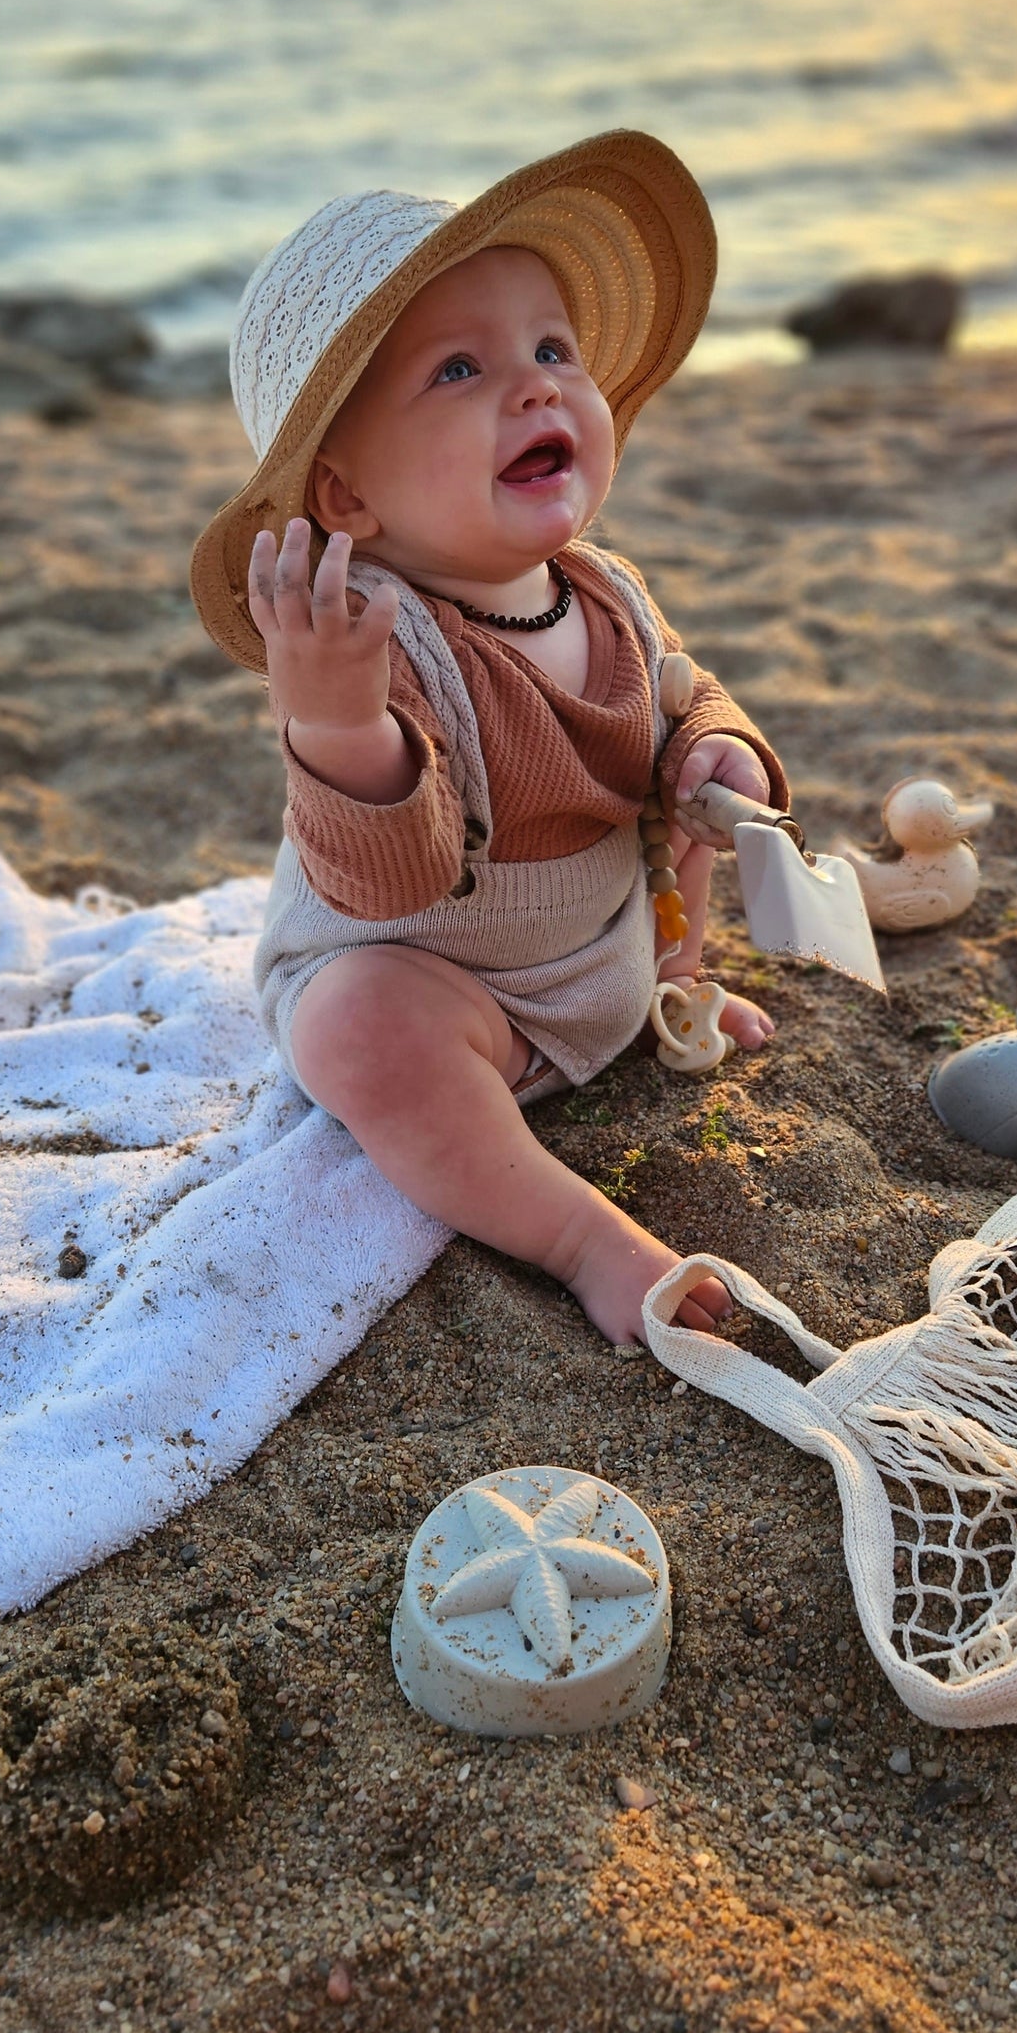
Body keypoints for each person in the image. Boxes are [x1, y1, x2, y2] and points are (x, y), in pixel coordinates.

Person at [190, 131, 787, 1345]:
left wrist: (719, 749)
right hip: (460, 998)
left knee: (674, 801)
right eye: (459, 369)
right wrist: (334, 715)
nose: (537, 386)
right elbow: (391, 871)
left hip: (602, 950)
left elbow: (680, 696)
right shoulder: (387, 640)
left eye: (552, 348)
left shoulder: (603, 589)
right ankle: (579, 1236)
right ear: (348, 499)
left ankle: (671, 983)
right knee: (360, 1024)